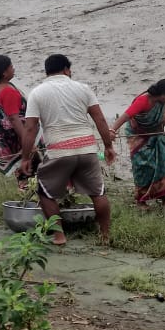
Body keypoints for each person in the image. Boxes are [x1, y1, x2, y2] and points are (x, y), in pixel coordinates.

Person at [17, 54, 116, 245]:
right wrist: (108, 146)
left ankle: (59, 235)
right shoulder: (83, 88)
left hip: (59, 152)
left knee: (45, 191)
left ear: (47, 72)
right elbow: (100, 119)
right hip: (87, 150)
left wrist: (25, 158)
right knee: (98, 193)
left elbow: (30, 128)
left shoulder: (37, 93)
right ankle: (105, 235)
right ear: (66, 70)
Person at [109, 78, 165, 206]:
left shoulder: (163, 103)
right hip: (138, 136)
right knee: (143, 167)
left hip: (156, 135)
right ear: (162, 94)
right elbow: (126, 116)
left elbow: (164, 119)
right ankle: (141, 200)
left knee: (163, 165)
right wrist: (112, 130)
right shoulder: (143, 100)